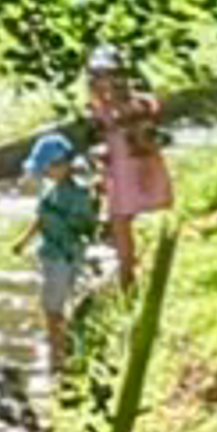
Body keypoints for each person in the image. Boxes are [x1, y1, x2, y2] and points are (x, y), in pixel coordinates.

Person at [85, 40, 175, 289]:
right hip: (123, 172)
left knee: (124, 221)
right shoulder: (117, 107)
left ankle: (131, 277)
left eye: (105, 76)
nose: (103, 83)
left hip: (131, 172)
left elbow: (141, 131)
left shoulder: (127, 108)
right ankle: (130, 275)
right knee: (122, 222)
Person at [20, 126, 100, 388]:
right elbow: (40, 218)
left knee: (53, 309)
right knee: (52, 307)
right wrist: (23, 241)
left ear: (64, 165)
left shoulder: (78, 196)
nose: (45, 172)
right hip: (50, 255)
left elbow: (86, 227)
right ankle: (58, 349)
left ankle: (57, 359)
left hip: (64, 257)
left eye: (50, 167)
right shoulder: (48, 191)